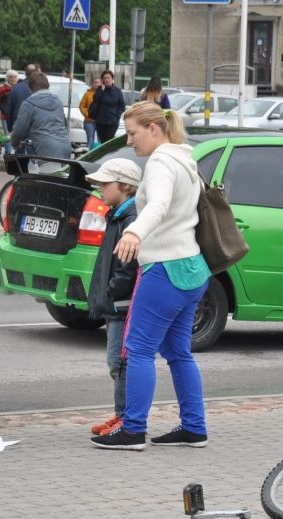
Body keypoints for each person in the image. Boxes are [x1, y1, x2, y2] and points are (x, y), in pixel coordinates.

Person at [90, 102, 210, 451]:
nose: (130, 141)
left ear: (154, 129)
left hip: (165, 268)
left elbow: (157, 205)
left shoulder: (159, 162)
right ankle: (194, 426)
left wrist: (134, 233)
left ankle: (133, 430)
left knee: (138, 349)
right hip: (192, 267)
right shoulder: (186, 159)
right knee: (178, 352)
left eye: (133, 133)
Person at [85, 159, 142, 436]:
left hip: (122, 304)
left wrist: (110, 291)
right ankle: (122, 414)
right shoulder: (118, 215)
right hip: (116, 303)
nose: (100, 190)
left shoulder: (129, 219)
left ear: (124, 186)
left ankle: (126, 418)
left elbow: (127, 267)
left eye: (104, 184)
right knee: (117, 362)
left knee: (120, 362)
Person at [10, 71, 71, 161]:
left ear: (30, 88)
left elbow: (19, 129)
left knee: (45, 174)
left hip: (44, 149)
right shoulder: (57, 101)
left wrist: (15, 143)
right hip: (65, 146)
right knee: (60, 174)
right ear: (47, 85)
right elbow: (64, 124)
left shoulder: (29, 103)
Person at [90, 70, 127, 145]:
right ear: (102, 80)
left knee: (109, 141)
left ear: (112, 79)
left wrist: (117, 115)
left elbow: (122, 106)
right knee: (103, 142)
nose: (106, 80)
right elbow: (96, 100)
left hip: (112, 121)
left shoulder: (117, 91)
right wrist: (102, 90)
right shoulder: (100, 89)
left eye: (108, 78)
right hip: (101, 121)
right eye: (105, 78)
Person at [4, 64, 37, 134]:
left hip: (19, 129)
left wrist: (11, 129)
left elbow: (9, 111)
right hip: (37, 131)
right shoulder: (41, 88)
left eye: (14, 77)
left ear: (25, 73)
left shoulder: (15, 89)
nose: (13, 79)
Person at [0, 69, 18, 139]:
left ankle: (15, 149)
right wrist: (7, 111)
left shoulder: (18, 88)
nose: (13, 79)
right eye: (11, 77)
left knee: (16, 135)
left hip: (17, 116)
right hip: (5, 116)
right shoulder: (2, 89)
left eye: (15, 77)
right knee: (7, 135)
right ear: (7, 78)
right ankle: (8, 150)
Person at [78, 78, 98, 149]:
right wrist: (87, 115)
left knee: (101, 142)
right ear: (92, 84)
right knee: (90, 140)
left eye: (98, 82)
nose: (96, 84)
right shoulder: (87, 94)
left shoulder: (103, 93)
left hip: (100, 122)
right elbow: (81, 106)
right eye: (95, 82)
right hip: (89, 121)